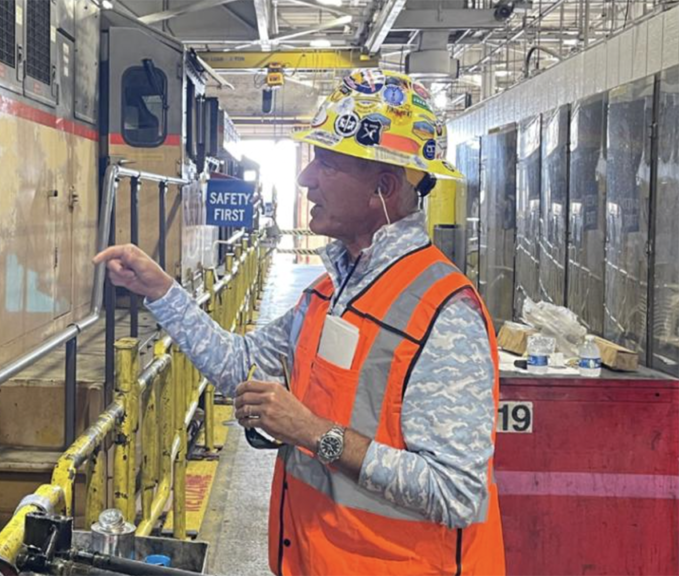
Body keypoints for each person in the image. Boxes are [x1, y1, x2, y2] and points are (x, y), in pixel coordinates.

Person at [95, 68, 505, 575]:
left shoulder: (445, 315)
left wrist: (313, 432)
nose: (306, 178)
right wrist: (160, 291)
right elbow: (238, 363)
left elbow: (456, 491)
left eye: (327, 163)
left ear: (384, 186)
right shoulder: (331, 293)